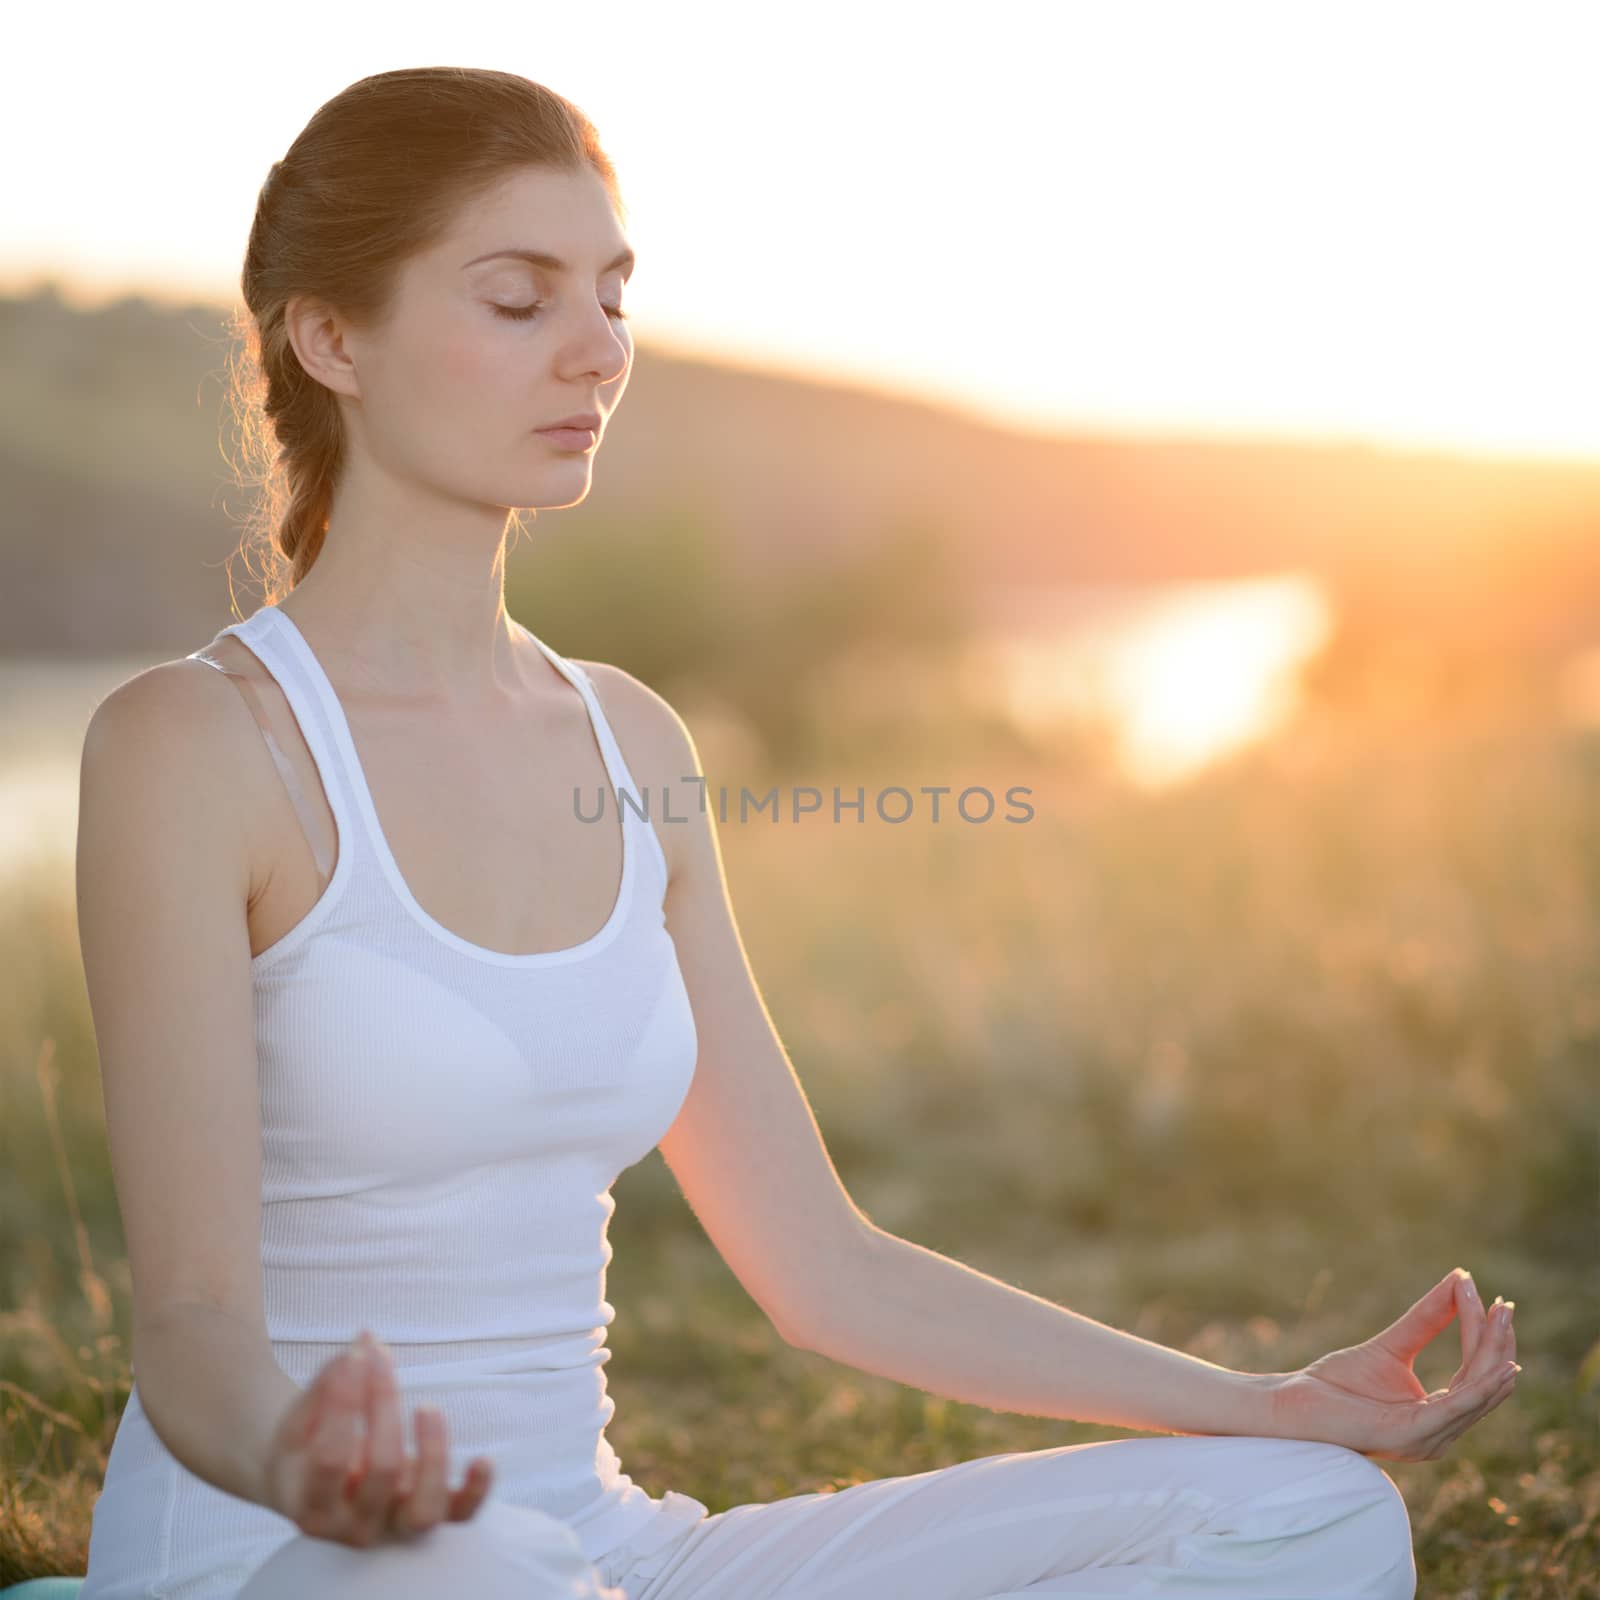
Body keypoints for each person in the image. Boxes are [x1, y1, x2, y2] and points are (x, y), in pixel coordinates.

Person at [71, 65, 1519, 1600]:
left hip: (612, 1558)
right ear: (330, 336)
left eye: (616, 295)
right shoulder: (194, 746)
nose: (599, 350)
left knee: (1304, 1513)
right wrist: (307, 1462)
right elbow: (197, 1337)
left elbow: (825, 1272)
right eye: (519, 299)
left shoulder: (630, 742)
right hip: (299, 1559)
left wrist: (1261, 1406)